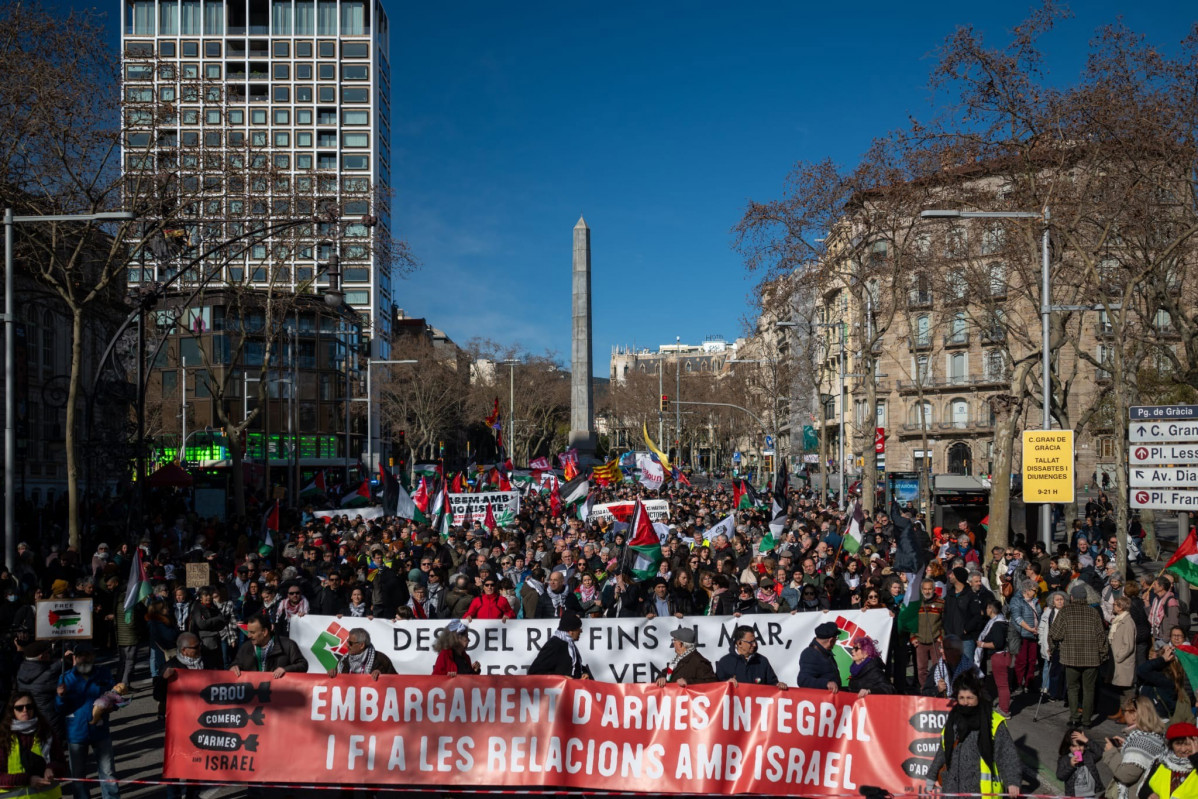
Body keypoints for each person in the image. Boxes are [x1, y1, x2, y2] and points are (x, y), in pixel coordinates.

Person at [925, 673, 1020, 798]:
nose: (965, 702)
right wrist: (932, 775)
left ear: (978, 697)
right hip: (952, 789)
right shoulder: (953, 720)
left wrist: (1012, 781)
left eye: (970, 698)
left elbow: (1007, 754)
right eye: (961, 698)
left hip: (979, 792)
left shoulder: (993, 723)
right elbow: (943, 750)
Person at [56, 644, 119, 799]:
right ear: (74, 658)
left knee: (108, 771)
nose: (84, 658)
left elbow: (115, 696)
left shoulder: (103, 673)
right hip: (76, 732)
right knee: (78, 775)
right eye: (80, 655)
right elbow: (59, 709)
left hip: (100, 730)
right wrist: (60, 696)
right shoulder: (66, 677)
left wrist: (113, 706)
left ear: (94, 656)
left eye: (88, 655)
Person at [1051, 583, 1108, 728]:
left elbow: (1055, 634)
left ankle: (1075, 717)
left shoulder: (1065, 612)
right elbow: (1101, 636)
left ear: (1071, 597)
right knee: (1089, 689)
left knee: (1073, 688)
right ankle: (1087, 720)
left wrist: (1052, 647)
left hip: (1071, 657)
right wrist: (1103, 653)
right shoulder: (1093, 612)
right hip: (1091, 657)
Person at [1102, 695, 1167, 799]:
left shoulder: (1140, 741)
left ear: (1134, 714)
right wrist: (1127, 746)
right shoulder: (1154, 736)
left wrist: (1111, 753)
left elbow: (1127, 775)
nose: (1123, 714)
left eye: (1124, 711)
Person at [0, 690, 64, 796]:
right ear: (12, 711)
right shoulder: (3, 736)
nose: (25, 710)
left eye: (29, 706)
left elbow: (61, 764)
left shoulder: (46, 732)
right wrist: (27, 779)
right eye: (19, 708)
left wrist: (51, 768)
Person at [229, 614, 307, 678]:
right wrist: (234, 667)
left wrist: (285, 669)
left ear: (264, 632)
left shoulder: (287, 645)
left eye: (252, 632)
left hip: (279, 693)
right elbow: (236, 664)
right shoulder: (245, 648)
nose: (248, 636)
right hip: (253, 693)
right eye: (248, 632)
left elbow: (303, 665)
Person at [715, 625, 788, 689]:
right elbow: (716, 688)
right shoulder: (725, 662)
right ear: (739, 643)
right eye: (751, 642)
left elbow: (772, 684)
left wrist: (778, 685)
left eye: (755, 641)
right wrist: (725, 684)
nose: (754, 645)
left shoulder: (762, 661)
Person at [1138, 722, 1198, 798]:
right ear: (1171, 745)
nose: (1183, 749)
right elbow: (1143, 790)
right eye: (1178, 744)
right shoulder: (1161, 762)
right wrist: (1149, 794)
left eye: (1187, 744)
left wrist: (1196, 757)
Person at [155, 632, 206, 721]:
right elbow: (158, 696)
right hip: (183, 717)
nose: (199, 648)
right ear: (184, 650)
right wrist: (164, 679)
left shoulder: (208, 661)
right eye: (195, 647)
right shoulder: (170, 666)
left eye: (199, 645)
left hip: (204, 712)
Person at [527, 613, 590, 679]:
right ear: (571, 631)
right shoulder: (554, 645)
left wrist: (584, 673)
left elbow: (571, 665)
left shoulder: (569, 644)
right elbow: (534, 672)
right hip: (558, 689)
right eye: (578, 628)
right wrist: (560, 678)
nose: (581, 631)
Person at [977, 599, 1012, 715]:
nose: (986, 610)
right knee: (1002, 683)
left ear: (991, 609)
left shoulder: (997, 624)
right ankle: (1003, 707)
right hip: (1002, 655)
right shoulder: (1000, 621)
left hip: (999, 656)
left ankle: (1004, 710)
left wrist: (982, 644)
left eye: (987, 608)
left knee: (1002, 684)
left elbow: (997, 643)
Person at [1108, 596, 1138, 719]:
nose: (1113, 606)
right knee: (1120, 688)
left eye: (1115, 604)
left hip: (1123, 661)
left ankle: (1129, 714)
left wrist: (1118, 657)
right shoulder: (1119, 620)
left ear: (1121, 607)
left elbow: (1128, 645)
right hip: (1117, 661)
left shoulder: (1128, 622)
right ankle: (1122, 711)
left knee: (1128, 689)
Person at [331, 628, 396, 680]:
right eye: (347, 642)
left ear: (361, 645)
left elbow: (396, 681)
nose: (347, 645)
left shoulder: (381, 660)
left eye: (350, 643)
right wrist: (332, 674)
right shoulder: (343, 661)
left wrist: (382, 676)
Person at [1057, 728, 1104, 798]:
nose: (1078, 749)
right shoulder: (1065, 759)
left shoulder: (1088, 755)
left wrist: (1086, 740)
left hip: (1090, 794)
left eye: (1081, 745)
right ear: (1068, 747)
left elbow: (1100, 753)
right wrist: (1071, 765)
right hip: (1074, 796)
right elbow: (1060, 776)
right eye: (1074, 746)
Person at [796, 621, 842, 693]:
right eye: (836, 639)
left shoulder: (825, 653)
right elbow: (803, 680)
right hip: (821, 701)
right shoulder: (810, 654)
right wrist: (826, 683)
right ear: (831, 640)